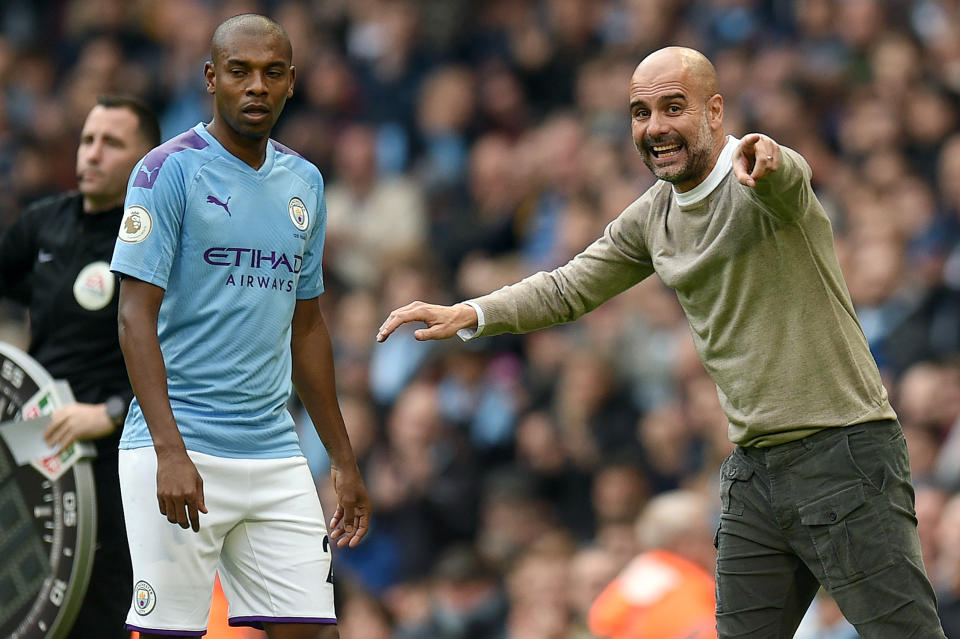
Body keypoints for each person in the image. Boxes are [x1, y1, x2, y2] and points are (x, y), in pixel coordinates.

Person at [377, 46, 948, 638]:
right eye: (640, 112)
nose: (655, 128)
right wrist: (470, 312)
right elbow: (567, 287)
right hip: (756, 468)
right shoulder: (653, 216)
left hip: (843, 453)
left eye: (673, 108)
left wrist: (770, 158)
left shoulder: (760, 179)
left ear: (715, 112)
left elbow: (787, 180)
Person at [110, 14, 370, 639]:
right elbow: (132, 316)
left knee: (313, 629)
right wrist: (168, 451)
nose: (256, 86)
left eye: (272, 73)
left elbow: (307, 326)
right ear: (211, 78)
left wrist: (342, 459)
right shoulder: (164, 172)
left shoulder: (304, 181)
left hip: (273, 448)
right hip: (178, 447)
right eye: (240, 72)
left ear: (290, 84)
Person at [0, 94, 161, 639]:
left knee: (96, 610)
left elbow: (182, 356)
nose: (92, 153)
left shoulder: (159, 239)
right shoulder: (44, 224)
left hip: (116, 455)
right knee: (21, 605)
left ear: (146, 159)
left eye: (111, 143)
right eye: (88, 139)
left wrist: (111, 412)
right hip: (37, 443)